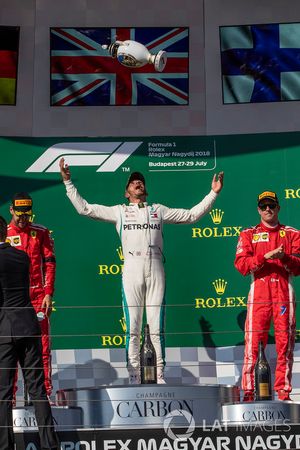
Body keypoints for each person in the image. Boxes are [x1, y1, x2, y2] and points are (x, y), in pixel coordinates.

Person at [59, 157, 224, 384]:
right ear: (126, 192)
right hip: (132, 268)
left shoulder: (159, 210)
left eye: (141, 181)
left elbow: (191, 215)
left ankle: (160, 374)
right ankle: (135, 375)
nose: (138, 183)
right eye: (133, 182)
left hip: (156, 265)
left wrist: (213, 193)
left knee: (156, 326)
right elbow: (85, 209)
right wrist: (68, 183)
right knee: (133, 326)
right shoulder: (119, 211)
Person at [0, 215, 59, 450]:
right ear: (6, 233)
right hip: (28, 326)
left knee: (3, 393)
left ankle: (5, 446)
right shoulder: (22, 257)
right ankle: (50, 445)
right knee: (37, 390)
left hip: (4, 330)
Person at [234, 191, 300, 402]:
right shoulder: (248, 234)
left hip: (283, 293)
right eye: (263, 206)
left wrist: (285, 257)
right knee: (253, 344)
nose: (268, 209)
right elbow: (242, 266)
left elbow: (299, 266)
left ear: (278, 208)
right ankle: (250, 393)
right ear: (258, 210)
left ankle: (283, 392)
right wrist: (265, 256)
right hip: (259, 294)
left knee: (284, 343)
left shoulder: (292, 234)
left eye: (271, 205)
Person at [6, 192, 56, 400]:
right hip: (12, 300)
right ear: (11, 210)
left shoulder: (41, 232)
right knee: (10, 349)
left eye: (26, 214)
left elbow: (50, 263)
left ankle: (43, 394)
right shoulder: (4, 234)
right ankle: (10, 399)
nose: (23, 218)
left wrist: (48, 293)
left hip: (37, 298)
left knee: (42, 347)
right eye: (19, 214)